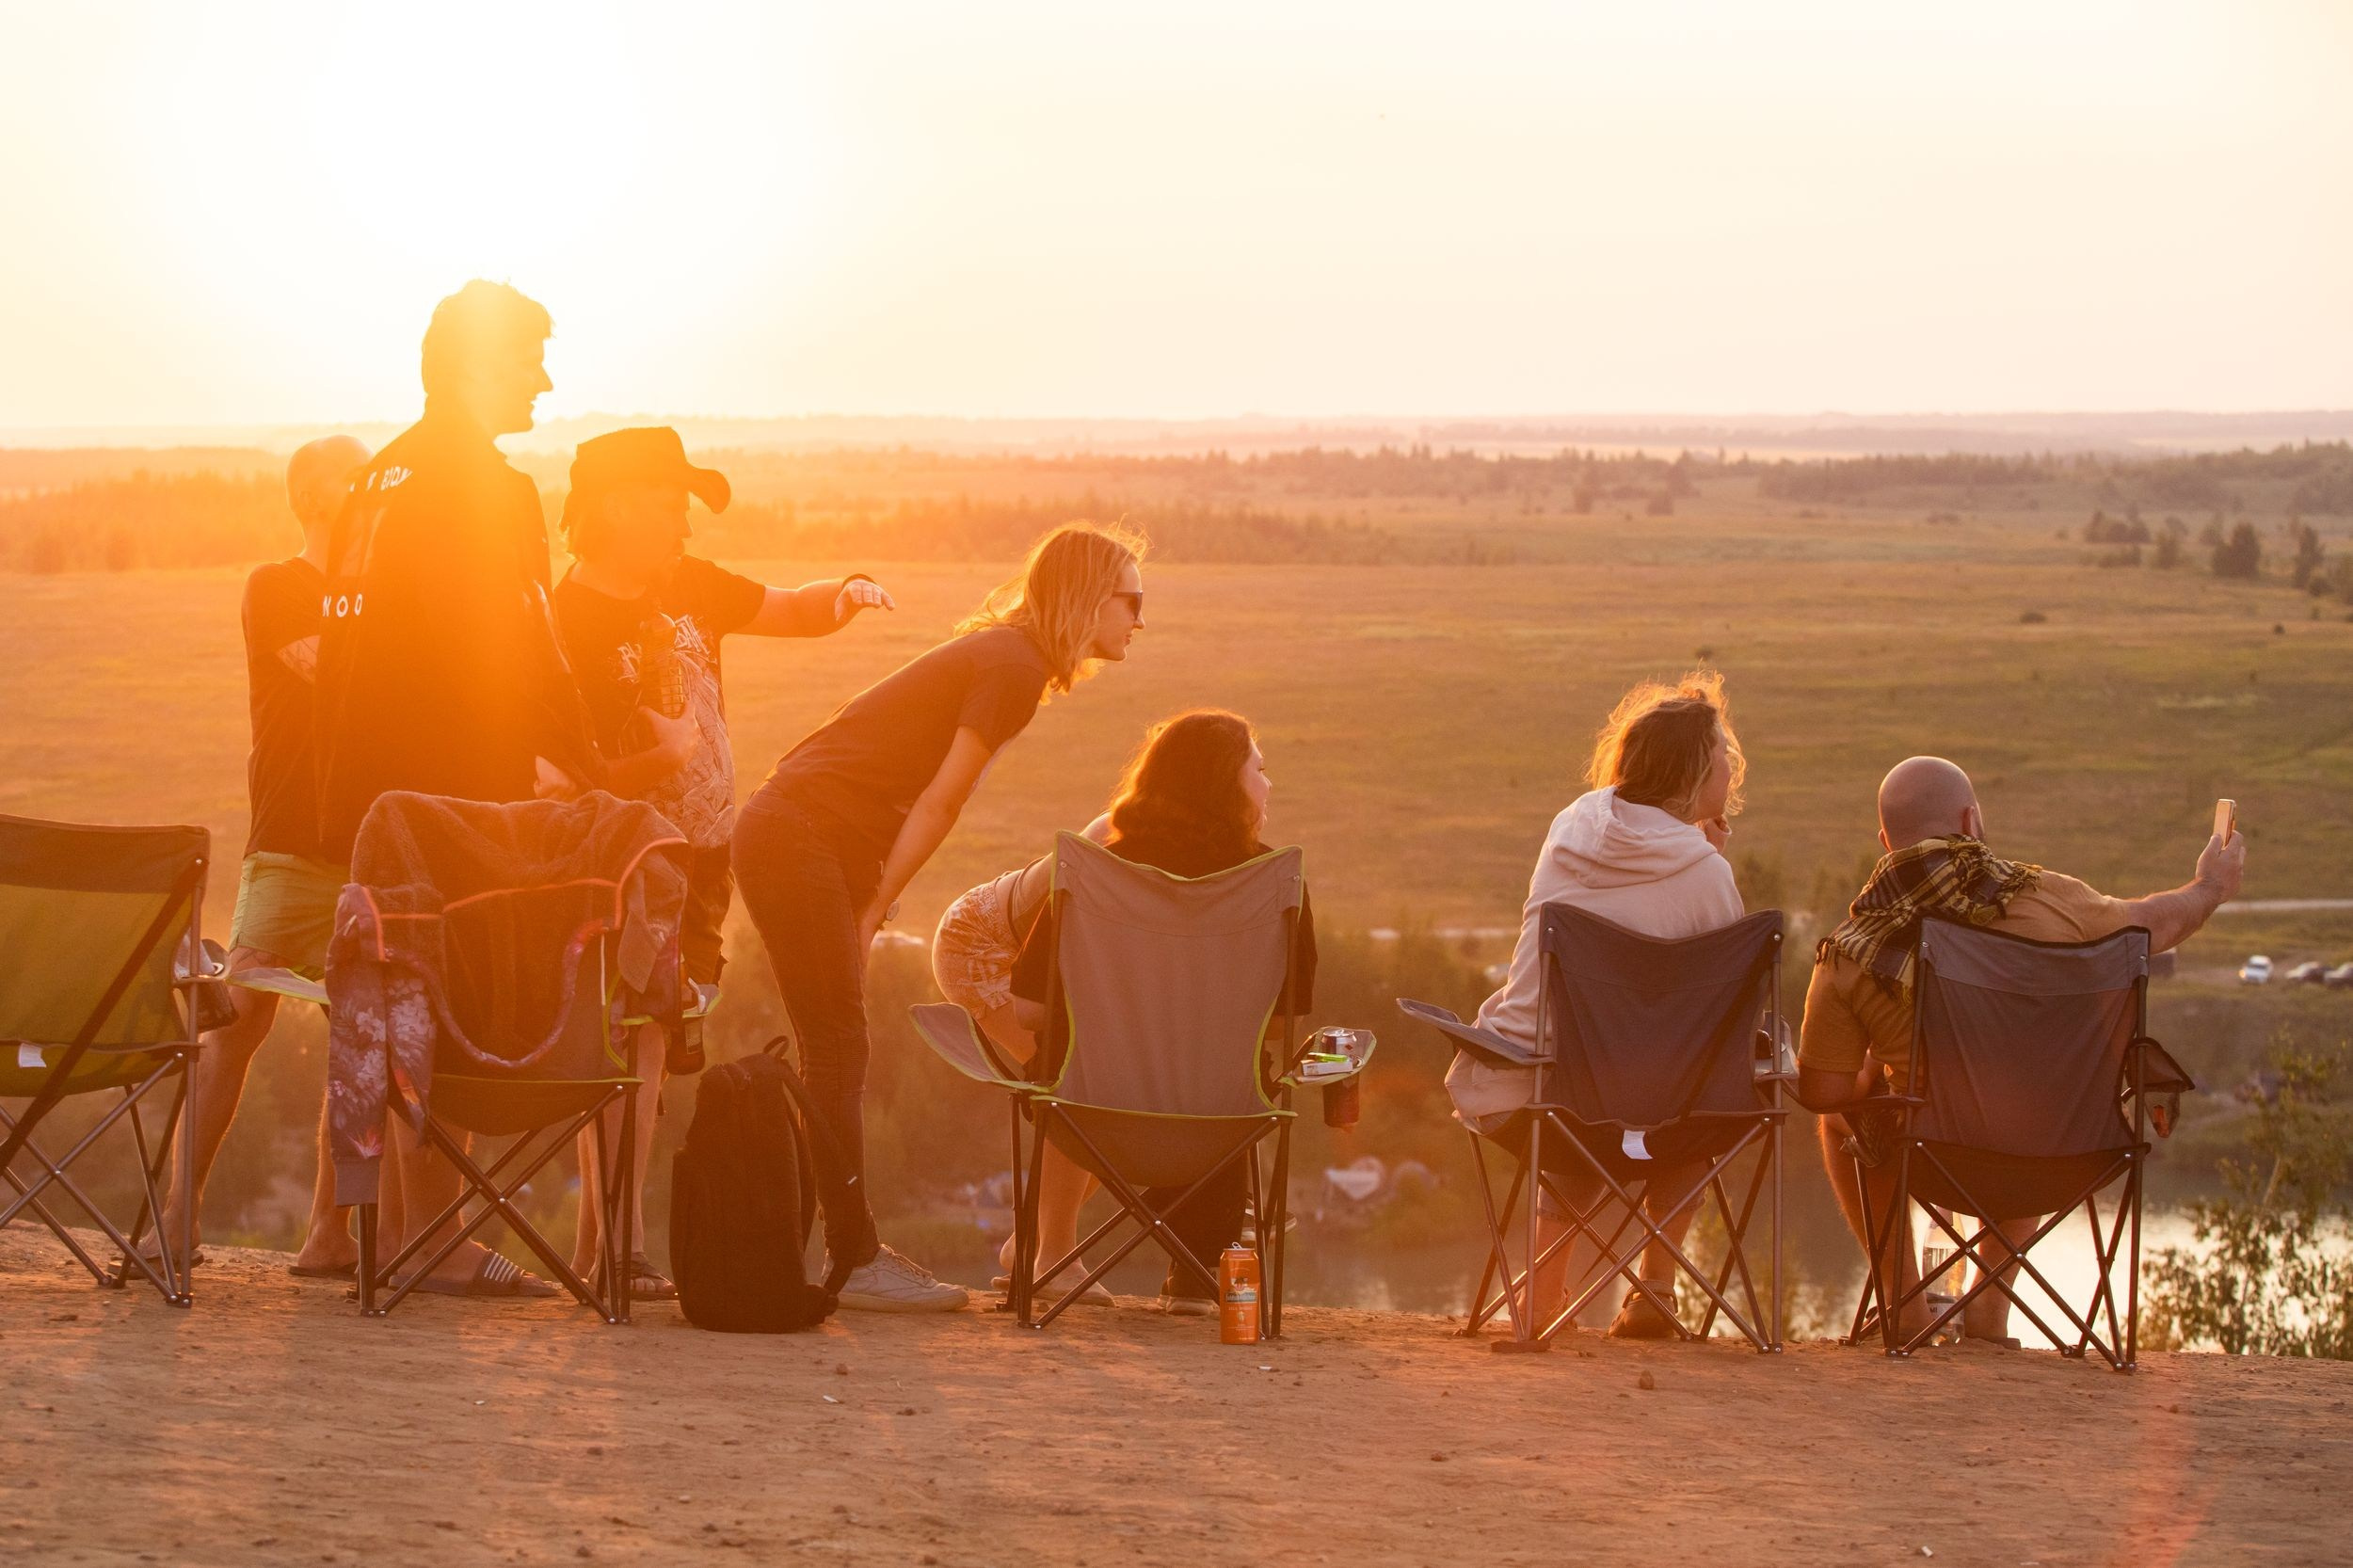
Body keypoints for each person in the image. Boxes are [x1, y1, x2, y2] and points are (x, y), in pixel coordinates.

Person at [733, 521, 1146, 1312]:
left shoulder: (1007, 656)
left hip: (803, 836)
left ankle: (819, 1253)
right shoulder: (1015, 669)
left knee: (834, 1045)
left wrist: (866, 890)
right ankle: (854, 1261)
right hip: (798, 836)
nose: (1139, 619)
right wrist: (876, 905)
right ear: (1090, 598)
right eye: (1131, 600)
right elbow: (941, 800)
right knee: (836, 1046)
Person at [550, 425, 894, 1299]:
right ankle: (618, 1254)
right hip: (620, 856)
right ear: (616, 505)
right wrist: (654, 768)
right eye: (670, 505)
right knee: (635, 1040)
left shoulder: (691, 586)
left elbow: (786, 607)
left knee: (649, 1051)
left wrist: (845, 593)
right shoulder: (568, 619)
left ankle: (604, 1255)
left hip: (703, 861)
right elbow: (562, 769)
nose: (685, 526)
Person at [312, 280, 603, 1298]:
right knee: (457, 999)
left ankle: (391, 1231)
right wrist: (580, 770)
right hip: (457, 788)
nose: (546, 380)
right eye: (531, 359)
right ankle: (435, 1237)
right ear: (481, 364)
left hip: (362, 784)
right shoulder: (487, 488)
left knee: (390, 998)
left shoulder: (374, 477)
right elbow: (521, 650)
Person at [1794, 755, 2245, 1345]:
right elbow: (2153, 923)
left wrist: (1883, 1074)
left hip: (1931, 1158)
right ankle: (1989, 1313)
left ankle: (1904, 1308)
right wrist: (2210, 885)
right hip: (2063, 1152)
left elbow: (1822, 1092)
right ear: (1971, 821)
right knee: (2031, 1086)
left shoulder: (1854, 947)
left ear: (1885, 841)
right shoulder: (2051, 899)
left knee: (1843, 1119)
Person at [1443, 671, 1748, 1337]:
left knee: (1585, 1091)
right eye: (1724, 753)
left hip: (1527, 1096)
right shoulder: (1706, 875)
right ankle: (1656, 1291)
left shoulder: (1572, 825)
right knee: (1708, 1082)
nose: (1733, 765)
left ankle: (1543, 1296)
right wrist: (1707, 860)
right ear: (1696, 771)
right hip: (1631, 1110)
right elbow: (1721, 1013)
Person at [1000, 709, 1316, 1314]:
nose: (1269, 785)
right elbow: (1278, 1026)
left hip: (1087, 1120)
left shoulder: (1091, 871)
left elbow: (1030, 1010)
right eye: (1260, 769)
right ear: (1226, 782)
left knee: (1100, 1061)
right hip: (1218, 1127)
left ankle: (1064, 1256)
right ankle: (1201, 1272)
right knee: (1220, 1069)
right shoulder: (1275, 881)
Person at [152, 436, 374, 1280]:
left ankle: (328, 1237)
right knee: (241, 1022)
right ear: (313, 499)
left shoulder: (372, 599)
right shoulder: (280, 587)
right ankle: (174, 1220)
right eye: (351, 484)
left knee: (357, 1033)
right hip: (287, 840)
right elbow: (335, 677)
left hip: (362, 846)